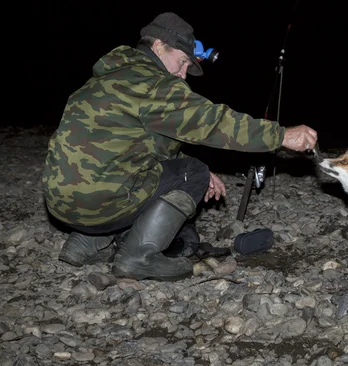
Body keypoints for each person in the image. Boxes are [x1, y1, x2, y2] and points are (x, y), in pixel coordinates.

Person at [42, 12, 318, 282]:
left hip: (60, 203)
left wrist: (177, 169)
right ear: (159, 46)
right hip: (99, 204)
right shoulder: (155, 84)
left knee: (134, 174)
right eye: (182, 62)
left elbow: (142, 146)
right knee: (193, 171)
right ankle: (138, 258)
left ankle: (83, 244)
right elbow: (213, 122)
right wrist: (280, 135)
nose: (183, 75)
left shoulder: (104, 80)